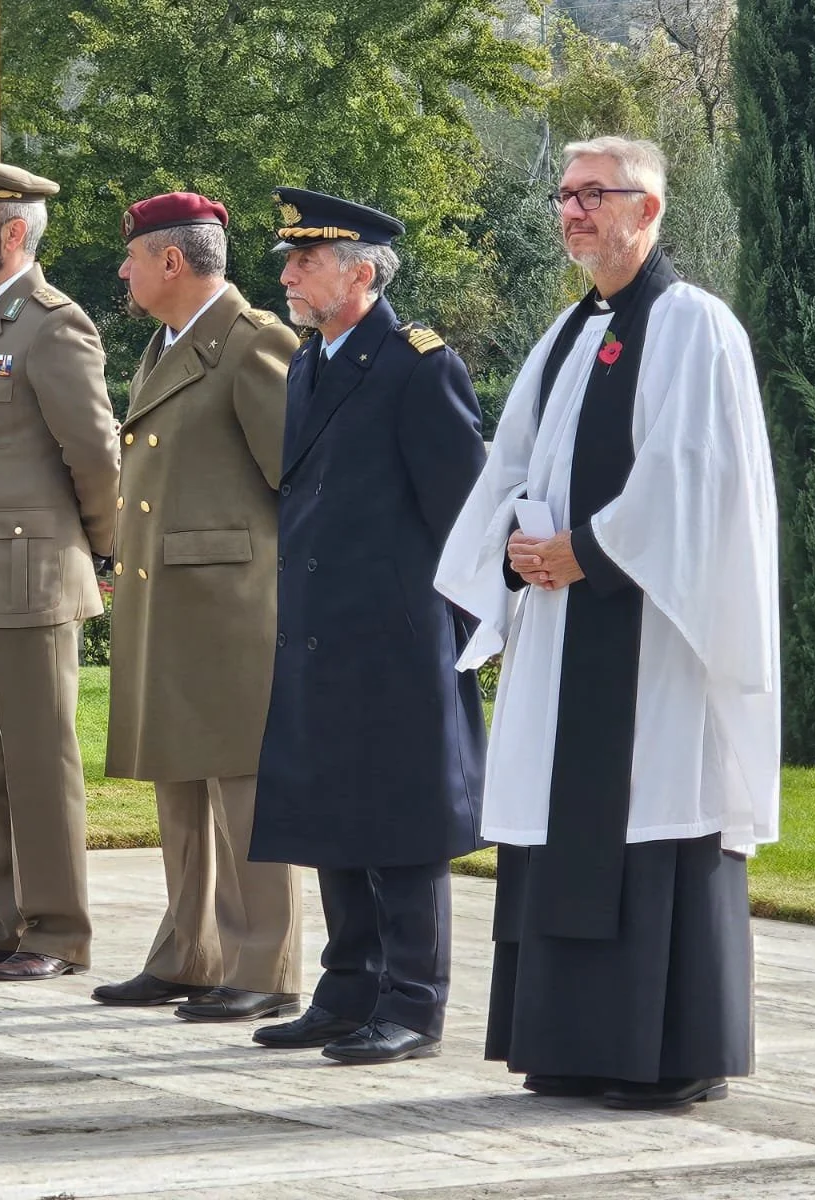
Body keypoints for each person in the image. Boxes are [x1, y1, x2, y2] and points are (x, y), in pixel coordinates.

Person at [436, 137, 780, 1110]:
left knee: (650, 812)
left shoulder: (694, 326)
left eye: (597, 194)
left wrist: (587, 549)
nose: (573, 210)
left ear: (651, 209)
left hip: (655, 638)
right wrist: (511, 540)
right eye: (565, 193)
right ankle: (574, 1045)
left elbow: (693, 476)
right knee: (562, 812)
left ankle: (666, 1054)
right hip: (562, 624)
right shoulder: (568, 335)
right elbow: (510, 467)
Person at [247, 189, 488, 1064]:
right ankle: (346, 991)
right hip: (322, 633)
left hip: (397, 637)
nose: (286, 275)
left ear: (357, 271)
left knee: (402, 824)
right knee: (334, 814)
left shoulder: (418, 365)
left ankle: (413, 1004)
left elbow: (466, 512)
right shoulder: (310, 361)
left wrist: (456, 633)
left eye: (302, 261)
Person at [91, 192, 302, 1022]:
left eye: (134, 257)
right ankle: (189, 951)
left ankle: (265, 965)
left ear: (172, 261)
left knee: (246, 795)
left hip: (231, 605)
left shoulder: (253, 345)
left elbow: (298, 481)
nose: (124, 270)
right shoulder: (166, 342)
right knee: (178, 786)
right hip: (171, 600)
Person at [0, 147, 121, 980]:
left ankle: (57, 931)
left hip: (30, 577)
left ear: (9, 234)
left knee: (41, 763)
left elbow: (97, 454)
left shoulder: (54, 322)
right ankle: (4, 919)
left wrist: (97, 548)